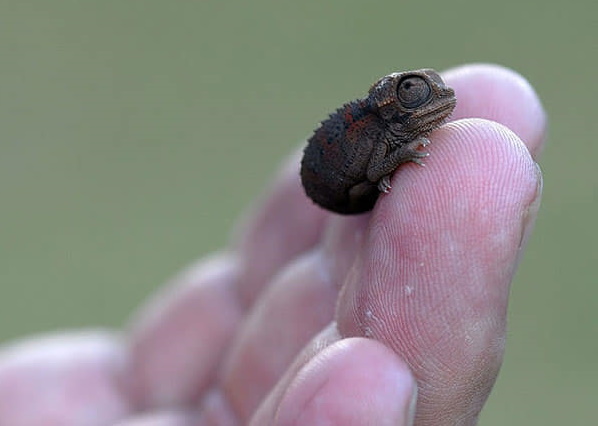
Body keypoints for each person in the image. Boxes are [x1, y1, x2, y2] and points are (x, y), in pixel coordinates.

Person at [0, 64, 546, 426]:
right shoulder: (379, 131)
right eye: (414, 93)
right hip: (333, 183)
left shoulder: (388, 128)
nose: (435, 102)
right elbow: (365, 166)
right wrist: (394, 164)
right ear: (391, 103)